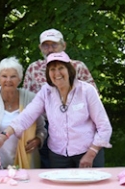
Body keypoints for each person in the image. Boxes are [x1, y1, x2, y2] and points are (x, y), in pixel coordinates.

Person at [0, 52, 112, 168]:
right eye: (52, 69)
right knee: (60, 188)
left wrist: (91, 153)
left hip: (88, 151)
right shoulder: (46, 92)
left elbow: (104, 126)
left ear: (69, 70)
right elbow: (26, 117)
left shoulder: (86, 91)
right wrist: (3, 136)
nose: (57, 73)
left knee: (89, 188)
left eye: (61, 68)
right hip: (58, 155)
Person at [23, 28, 97, 168]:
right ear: (40, 48)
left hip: (78, 126)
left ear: (64, 45)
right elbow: (28, 102)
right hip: (45, 125)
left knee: (83, 172)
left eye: (54, 44)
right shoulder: (33, 68)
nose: (50, 49)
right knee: (50, 169)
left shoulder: (78, 67)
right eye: (46, 45)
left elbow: (94, 100)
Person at [0, 56, 46, 169]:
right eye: (4, 76)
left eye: (13, 76)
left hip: (25, 159)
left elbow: (41, 128)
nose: (8, 80)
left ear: (20, 79)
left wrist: (38, 140)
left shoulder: (31, 98)